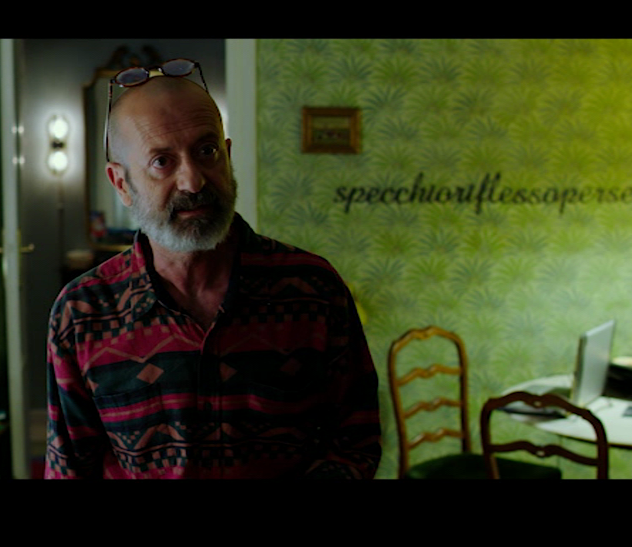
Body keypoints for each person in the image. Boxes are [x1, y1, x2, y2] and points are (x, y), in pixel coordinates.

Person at [45, 61, 381, 479]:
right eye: (162, 161)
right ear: (121, 184)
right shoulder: (82, 313)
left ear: (228, 156)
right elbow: (70, 468)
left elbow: (355, 440)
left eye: (207, 152)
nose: (193, 181)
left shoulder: (313, 289)